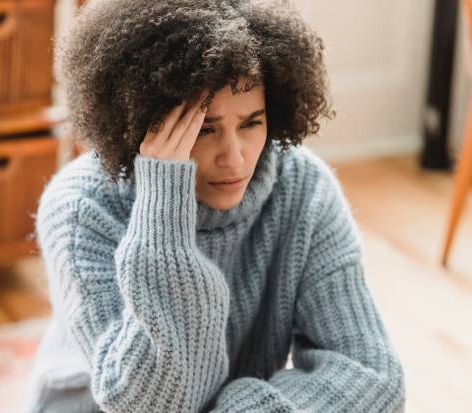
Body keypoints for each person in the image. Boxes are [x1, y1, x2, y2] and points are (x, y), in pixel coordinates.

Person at [26, 0, 406, 412]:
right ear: (139, 123)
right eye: (204, 129)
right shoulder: (82, 208)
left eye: (251, 124)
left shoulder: (303, 189)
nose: (234, 157)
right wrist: (163, 213)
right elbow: (151, 405)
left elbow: (372, 375)